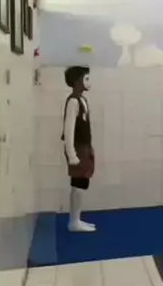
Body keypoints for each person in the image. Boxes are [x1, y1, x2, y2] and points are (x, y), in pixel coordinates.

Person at [61, 66, 96, 232]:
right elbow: (68, 129)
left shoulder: (82, 100)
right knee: (78, 184)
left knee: (82, 183)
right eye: (86, 79)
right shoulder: (73, 101)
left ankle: (77, 219)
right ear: (77, 81)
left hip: (84, 147)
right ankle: (74, 221)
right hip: (77, 147)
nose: (89, 82)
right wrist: (71, 154)